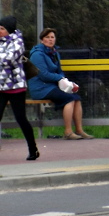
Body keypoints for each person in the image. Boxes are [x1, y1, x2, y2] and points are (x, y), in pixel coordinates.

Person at [28, 28, 93, 140]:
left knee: (76, 98)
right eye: (47, 37)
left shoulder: (54, 53)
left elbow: (59, 71)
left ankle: (79, 130)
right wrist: (60, 78)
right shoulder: (37, 54)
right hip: (40, 88)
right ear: (42, 40)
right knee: (69, 99)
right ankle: (68, 132)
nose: (50, 40)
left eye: (52, 37)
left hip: (51, 86)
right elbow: (43, 74)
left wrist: (65, 81)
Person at [0, 16, 39, 160]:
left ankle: (33, 149)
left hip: (16, 87)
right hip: (1, 87)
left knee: (21, 118)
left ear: (9, 30)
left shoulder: (18, 42)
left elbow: (8, 59)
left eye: (2, 28)